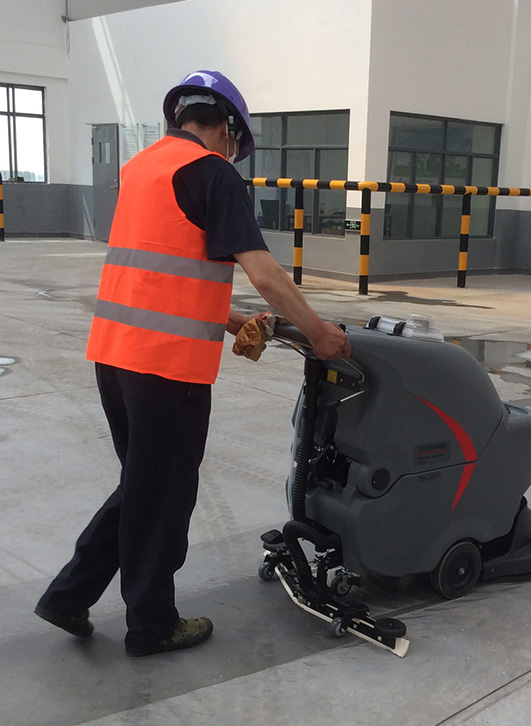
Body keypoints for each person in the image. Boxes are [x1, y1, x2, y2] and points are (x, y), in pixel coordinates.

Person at [35, 70, 350, 657]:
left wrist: (228, 318)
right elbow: (265, 273)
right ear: (228, 127)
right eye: (236, 141)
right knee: (164, 496)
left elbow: (157, 268)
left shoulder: (142, 168)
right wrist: (318, 333)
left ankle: (68, 595)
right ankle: (152, 625)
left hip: (115, 357)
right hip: (167, 369)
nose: (233, 152)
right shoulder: (211, 172)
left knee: (143, 484)